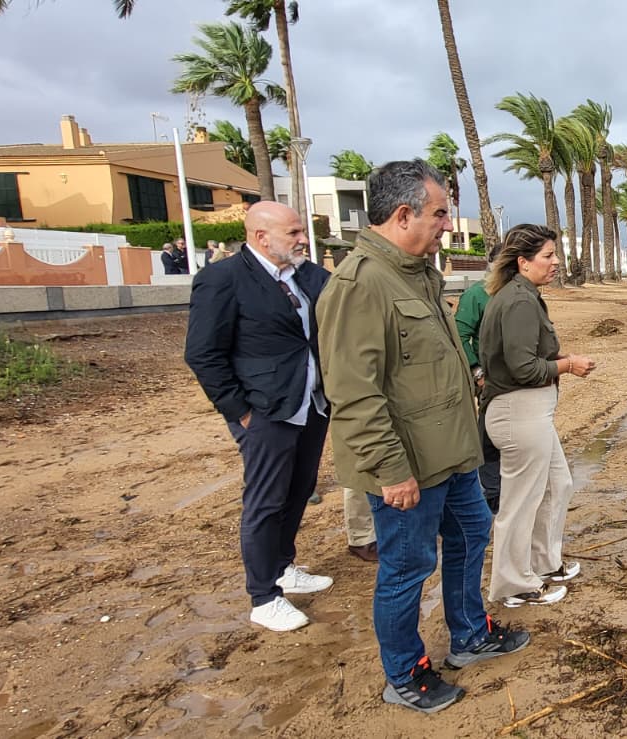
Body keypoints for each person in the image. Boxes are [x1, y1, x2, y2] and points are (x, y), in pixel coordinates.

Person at [318, 160, 528, 714]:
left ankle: (469, 635)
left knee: (471, 533)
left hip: (453, 453)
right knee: (408, 566)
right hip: (408, 465)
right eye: (439, 213)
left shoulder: (416, 274)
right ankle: (405, 673)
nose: (445, 224)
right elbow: (355, 393)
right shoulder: (360, 284)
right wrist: (391, 472)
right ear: (404, 212)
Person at [183, 201, 333, 632]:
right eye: (294, 233)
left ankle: (283, 565)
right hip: (265, 410)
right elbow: (202, 354)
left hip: (311, 404)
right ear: (260, 236)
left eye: (301, 231)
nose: (303, 240)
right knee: (265, 501)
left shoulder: (307, 277)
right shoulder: (222, 280)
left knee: (299, 488)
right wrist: (240, 412)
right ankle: (263, 595)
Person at [480, 223, 595, 608]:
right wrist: (568, 366)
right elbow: (522, 367)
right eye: (548, 256)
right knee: (520, 502)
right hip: (518, 411)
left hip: (529, 412)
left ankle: (543, 563)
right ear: (523, 261)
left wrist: (560, 363)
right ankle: (513, 585)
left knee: (556, 485)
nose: (556, 262)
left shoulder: (522, 295)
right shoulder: (519, 301)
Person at [454, 276, 503, 513]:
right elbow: (460, 335)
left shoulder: (521, 292)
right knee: (488, 435)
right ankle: (493, 492)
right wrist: (477, 370)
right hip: (489, 381)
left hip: (517, 382)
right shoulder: (476, 295)